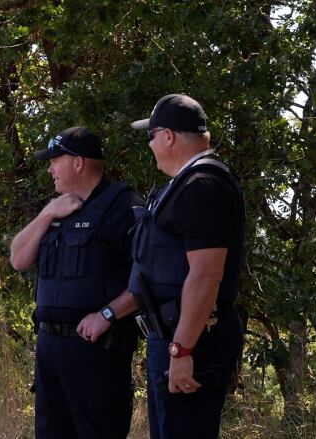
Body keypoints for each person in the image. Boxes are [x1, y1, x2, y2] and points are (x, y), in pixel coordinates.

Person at [78, 94, 246, 438]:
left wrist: (182, 349)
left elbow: (206, 275)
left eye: (151, 136)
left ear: (168, 136)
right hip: (174, 336)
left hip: (194, 341)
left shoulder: (203, 187)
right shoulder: (185, 185)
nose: (150, 145)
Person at [10, 126, 141, 438]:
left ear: (78, 163)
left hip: (96, 352)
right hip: (50, 348)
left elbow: (149, 277)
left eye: (56, 160)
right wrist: (46, 214)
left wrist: (108, 314)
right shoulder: (57, 208)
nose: (50, 168)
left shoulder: (123, 207)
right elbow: (18, 259)